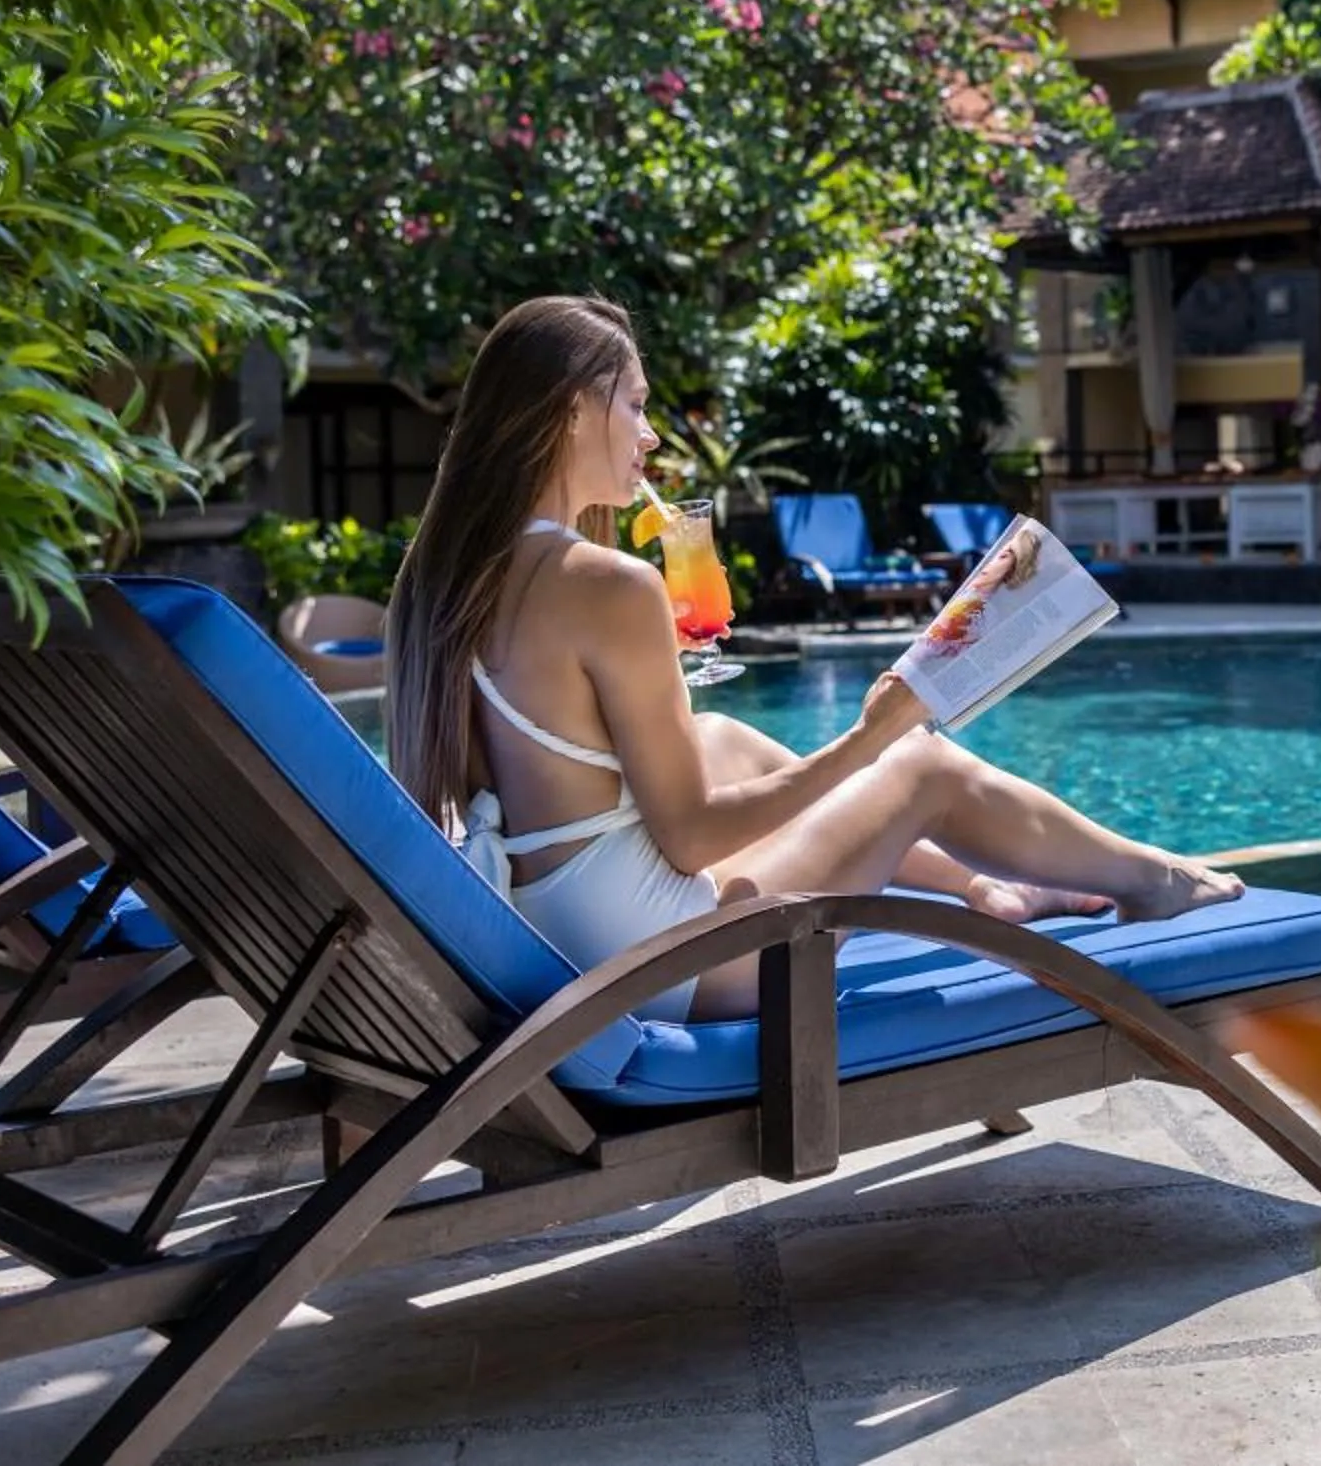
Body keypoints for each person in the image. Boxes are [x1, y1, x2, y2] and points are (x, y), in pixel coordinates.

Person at [385, 295, 1242, 1021]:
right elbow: (689, 842)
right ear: (573, 409)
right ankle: (1152, 878)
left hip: (560, 922)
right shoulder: (607, 586)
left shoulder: (456, 574)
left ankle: (985, 891)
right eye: (636, 406)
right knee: (923, 766)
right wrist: (870, 738)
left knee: (725, 735)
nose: (648, 437)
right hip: (658, 965)